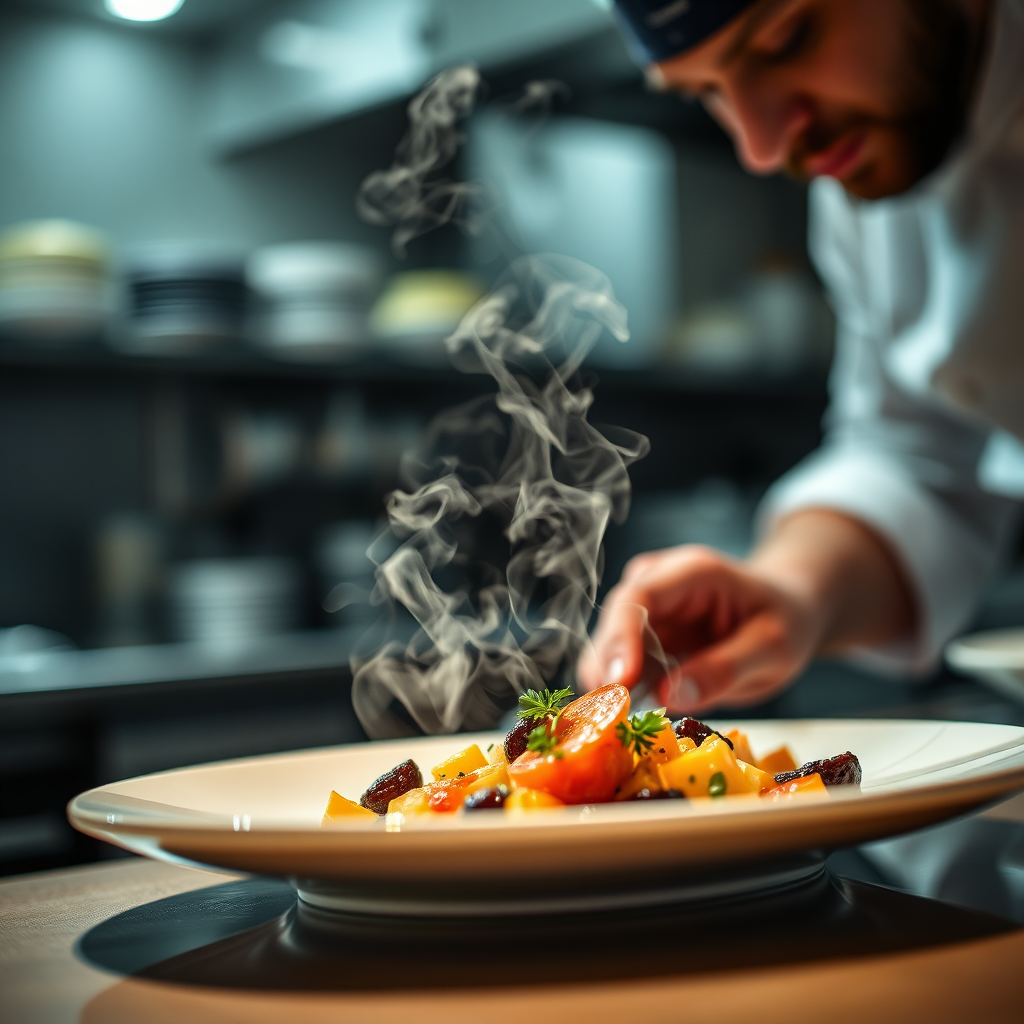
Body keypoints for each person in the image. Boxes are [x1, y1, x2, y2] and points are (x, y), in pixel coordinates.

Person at [579, 0, 1024, 713]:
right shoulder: (863, 180)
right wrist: (791, 588)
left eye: (788, 39)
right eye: (708, 92)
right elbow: (915, 464)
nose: (759, 147)